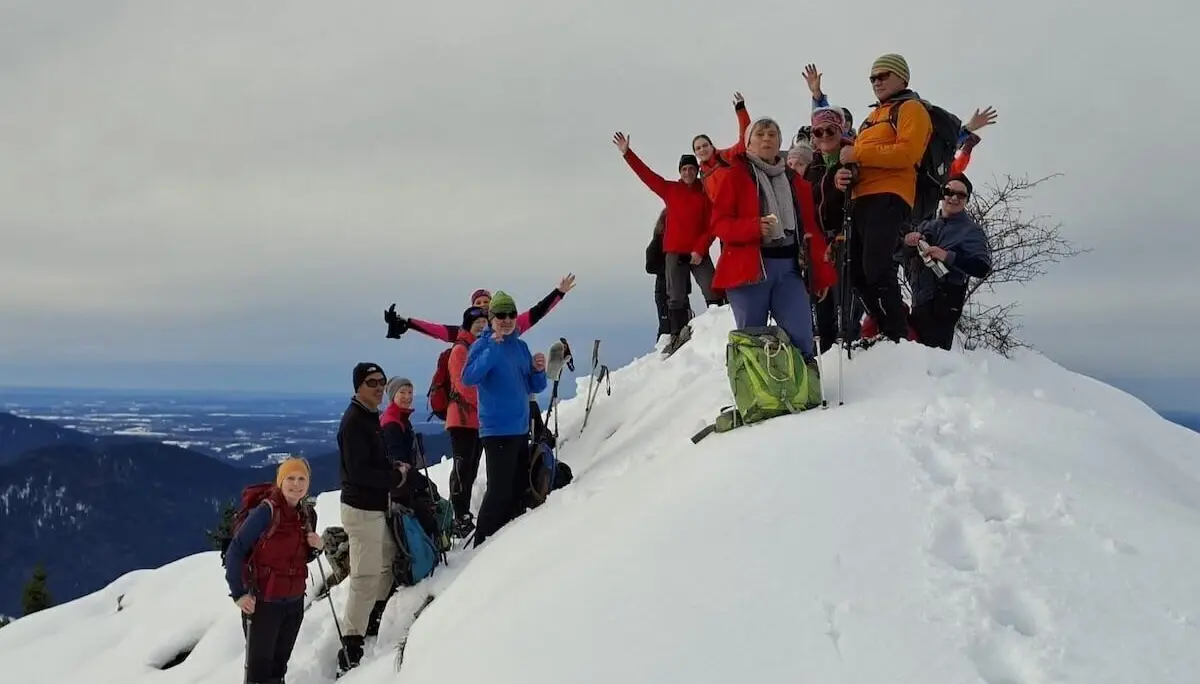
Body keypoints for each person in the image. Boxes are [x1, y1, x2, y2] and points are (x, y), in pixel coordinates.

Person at [708, 117, 837, 361]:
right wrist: (753, 227)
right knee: (752, 343)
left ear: (779, 141)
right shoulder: (734, 176)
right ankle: (756, 398)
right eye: (759, 134)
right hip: (748, 271)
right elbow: (719, 224)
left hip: (788, 269)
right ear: (748, 143)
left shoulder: (795, 182)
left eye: (772, 134)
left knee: (802, 335)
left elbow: (811, 229)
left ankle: (806, 394)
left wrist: (821, 274)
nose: (766, 138)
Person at [834, 53, 931, 344]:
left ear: (903, 78)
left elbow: (907, 153)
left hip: (890, 195)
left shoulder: (912, 108)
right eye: (873, 78)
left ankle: (896, 334)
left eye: (884, 75)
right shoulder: (873, 117)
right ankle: (885, 326)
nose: (877, 82)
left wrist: (858, 153)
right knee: (855, 272)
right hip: (861, 198)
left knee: (877, 266)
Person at [614, 131, 722, 354]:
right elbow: (647, 176)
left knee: (713, 288)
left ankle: (720, 329)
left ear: (697, 171)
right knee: (676, 297)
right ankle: (677, 338)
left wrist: (700, 250)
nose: (688, 172)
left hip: (698, 252)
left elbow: (713, 226)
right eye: (684, 169)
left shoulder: (706, 193)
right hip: (674, 252)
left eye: (692, 169)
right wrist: (627, 154)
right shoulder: (671, 190)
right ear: (680, 172)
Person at [335, 362, 408, 673]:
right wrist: (393, 477)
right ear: (358, 387)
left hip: (372, 508)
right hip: (361, 510)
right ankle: (351, 647)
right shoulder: (354, 423)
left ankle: (372, 618)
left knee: (386, 562)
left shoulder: (368, 417)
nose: (379, 387)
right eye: (371, 382)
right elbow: (359, 472)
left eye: (381, 381)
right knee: (365, 577)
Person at [460, 291, 548, 547]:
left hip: (520, 428)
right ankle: (481, 545)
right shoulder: (483, 345)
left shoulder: (520, 347)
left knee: (517, 487)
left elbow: (532, 385)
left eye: (511, 314)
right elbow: (468, 378)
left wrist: (539, 371)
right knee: (498, 491)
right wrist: (492, 350)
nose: (507, 320)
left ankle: (505, 543)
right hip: (496, 430)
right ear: (491, 318)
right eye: (501, 315)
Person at [224, 457, 323, 684]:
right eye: (290, 478)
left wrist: (317, 547)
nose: (296, 484)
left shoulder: (307, 514)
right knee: (258, 673)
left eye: (302, 479)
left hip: (294, 602)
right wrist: (238, 593)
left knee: (278, 668)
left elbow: (299, 557)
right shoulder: (266, 512)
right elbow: (236, 550)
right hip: (264, 603)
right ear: (280, 481)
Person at [902, 174, 993, 349]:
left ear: (967, 200)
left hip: (944, 308)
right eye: (948, 192)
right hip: (919, 303)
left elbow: (981, 268)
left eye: (960, 195)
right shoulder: (926, 226)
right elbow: (900, 256)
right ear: (941, 194)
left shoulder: (971, 231)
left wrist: (947, 256)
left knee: (934, 365)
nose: (953, 198)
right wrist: (907, 242)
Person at [384, 275, 575, 342]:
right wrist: (408, 322)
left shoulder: (510, 324)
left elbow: (538, 311)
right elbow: (435, 330)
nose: (483, 305)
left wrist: (558, 292)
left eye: (487, 302)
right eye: (479, 303)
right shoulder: (463, 332)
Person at [446, 306, 488, 536]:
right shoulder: (461, 350)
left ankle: (463, 514)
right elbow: (463, 386)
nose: (482, 326)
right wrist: (488, 403)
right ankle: (460, 516)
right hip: (461, 419)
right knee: (462, 468)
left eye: (484, 322)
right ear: (468, 325)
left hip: (476, 420)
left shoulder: (480, 347)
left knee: (470, 468)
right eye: (477, 323)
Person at [645, 209, 692, 342]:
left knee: (684, 324)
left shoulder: (682, 243)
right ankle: (662, 355)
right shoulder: (657, 243)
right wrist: (670, 269)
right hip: (664, 290)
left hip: (681, 291)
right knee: (666, 328)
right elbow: (650, 266)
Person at [692, 91, 752, 197]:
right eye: (698, 148)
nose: (702, 149)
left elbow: (745, 140)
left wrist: (741, 110)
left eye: (705, 145)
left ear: (712, 146)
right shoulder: (703, 175)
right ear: (696, 154)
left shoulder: (725, 157)